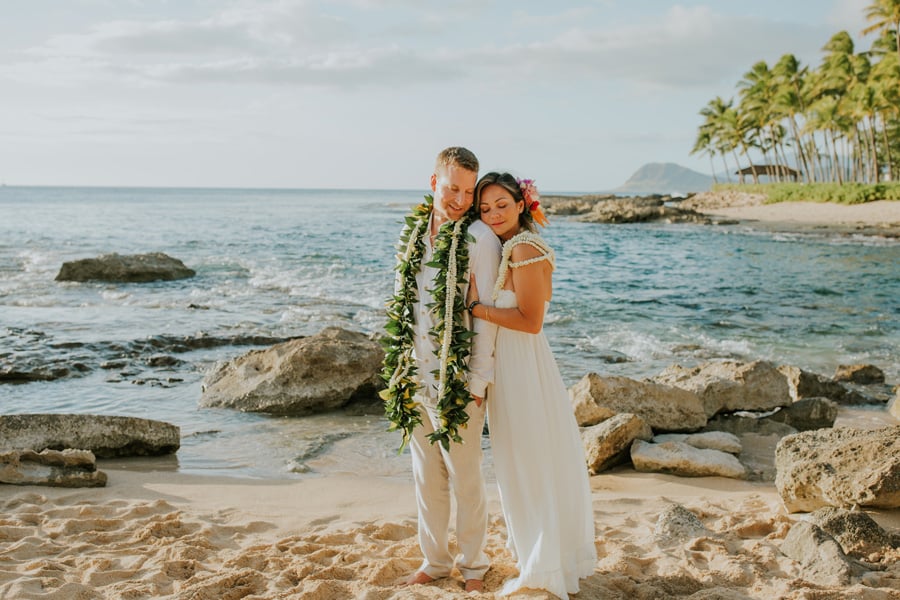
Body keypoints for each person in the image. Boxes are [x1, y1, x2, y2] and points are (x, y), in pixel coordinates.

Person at [467, 171, 597, 598]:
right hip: (517, 367)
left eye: (502, 205)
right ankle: (541, 554)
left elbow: (530, 320)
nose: (493, 214)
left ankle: (542, 564)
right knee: (526, 461)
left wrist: (478, 309)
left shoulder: (522, 247)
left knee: (527, 462)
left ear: (522, 205)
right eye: (485, 209)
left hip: (522, 367)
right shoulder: (514, 245)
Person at [381, 147, 501, 593]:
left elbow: (485, 316)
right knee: (426, 475)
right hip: (414, 375)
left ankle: (474, 566)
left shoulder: (479, 241)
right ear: (433, 183)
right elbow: (404, 304)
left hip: (458, 382)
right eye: (453, 189)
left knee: (466, 477)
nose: (461, 200)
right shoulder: (412, 234)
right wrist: (399, 370)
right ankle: (434, 561)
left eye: (469, 191)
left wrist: (477, 381)